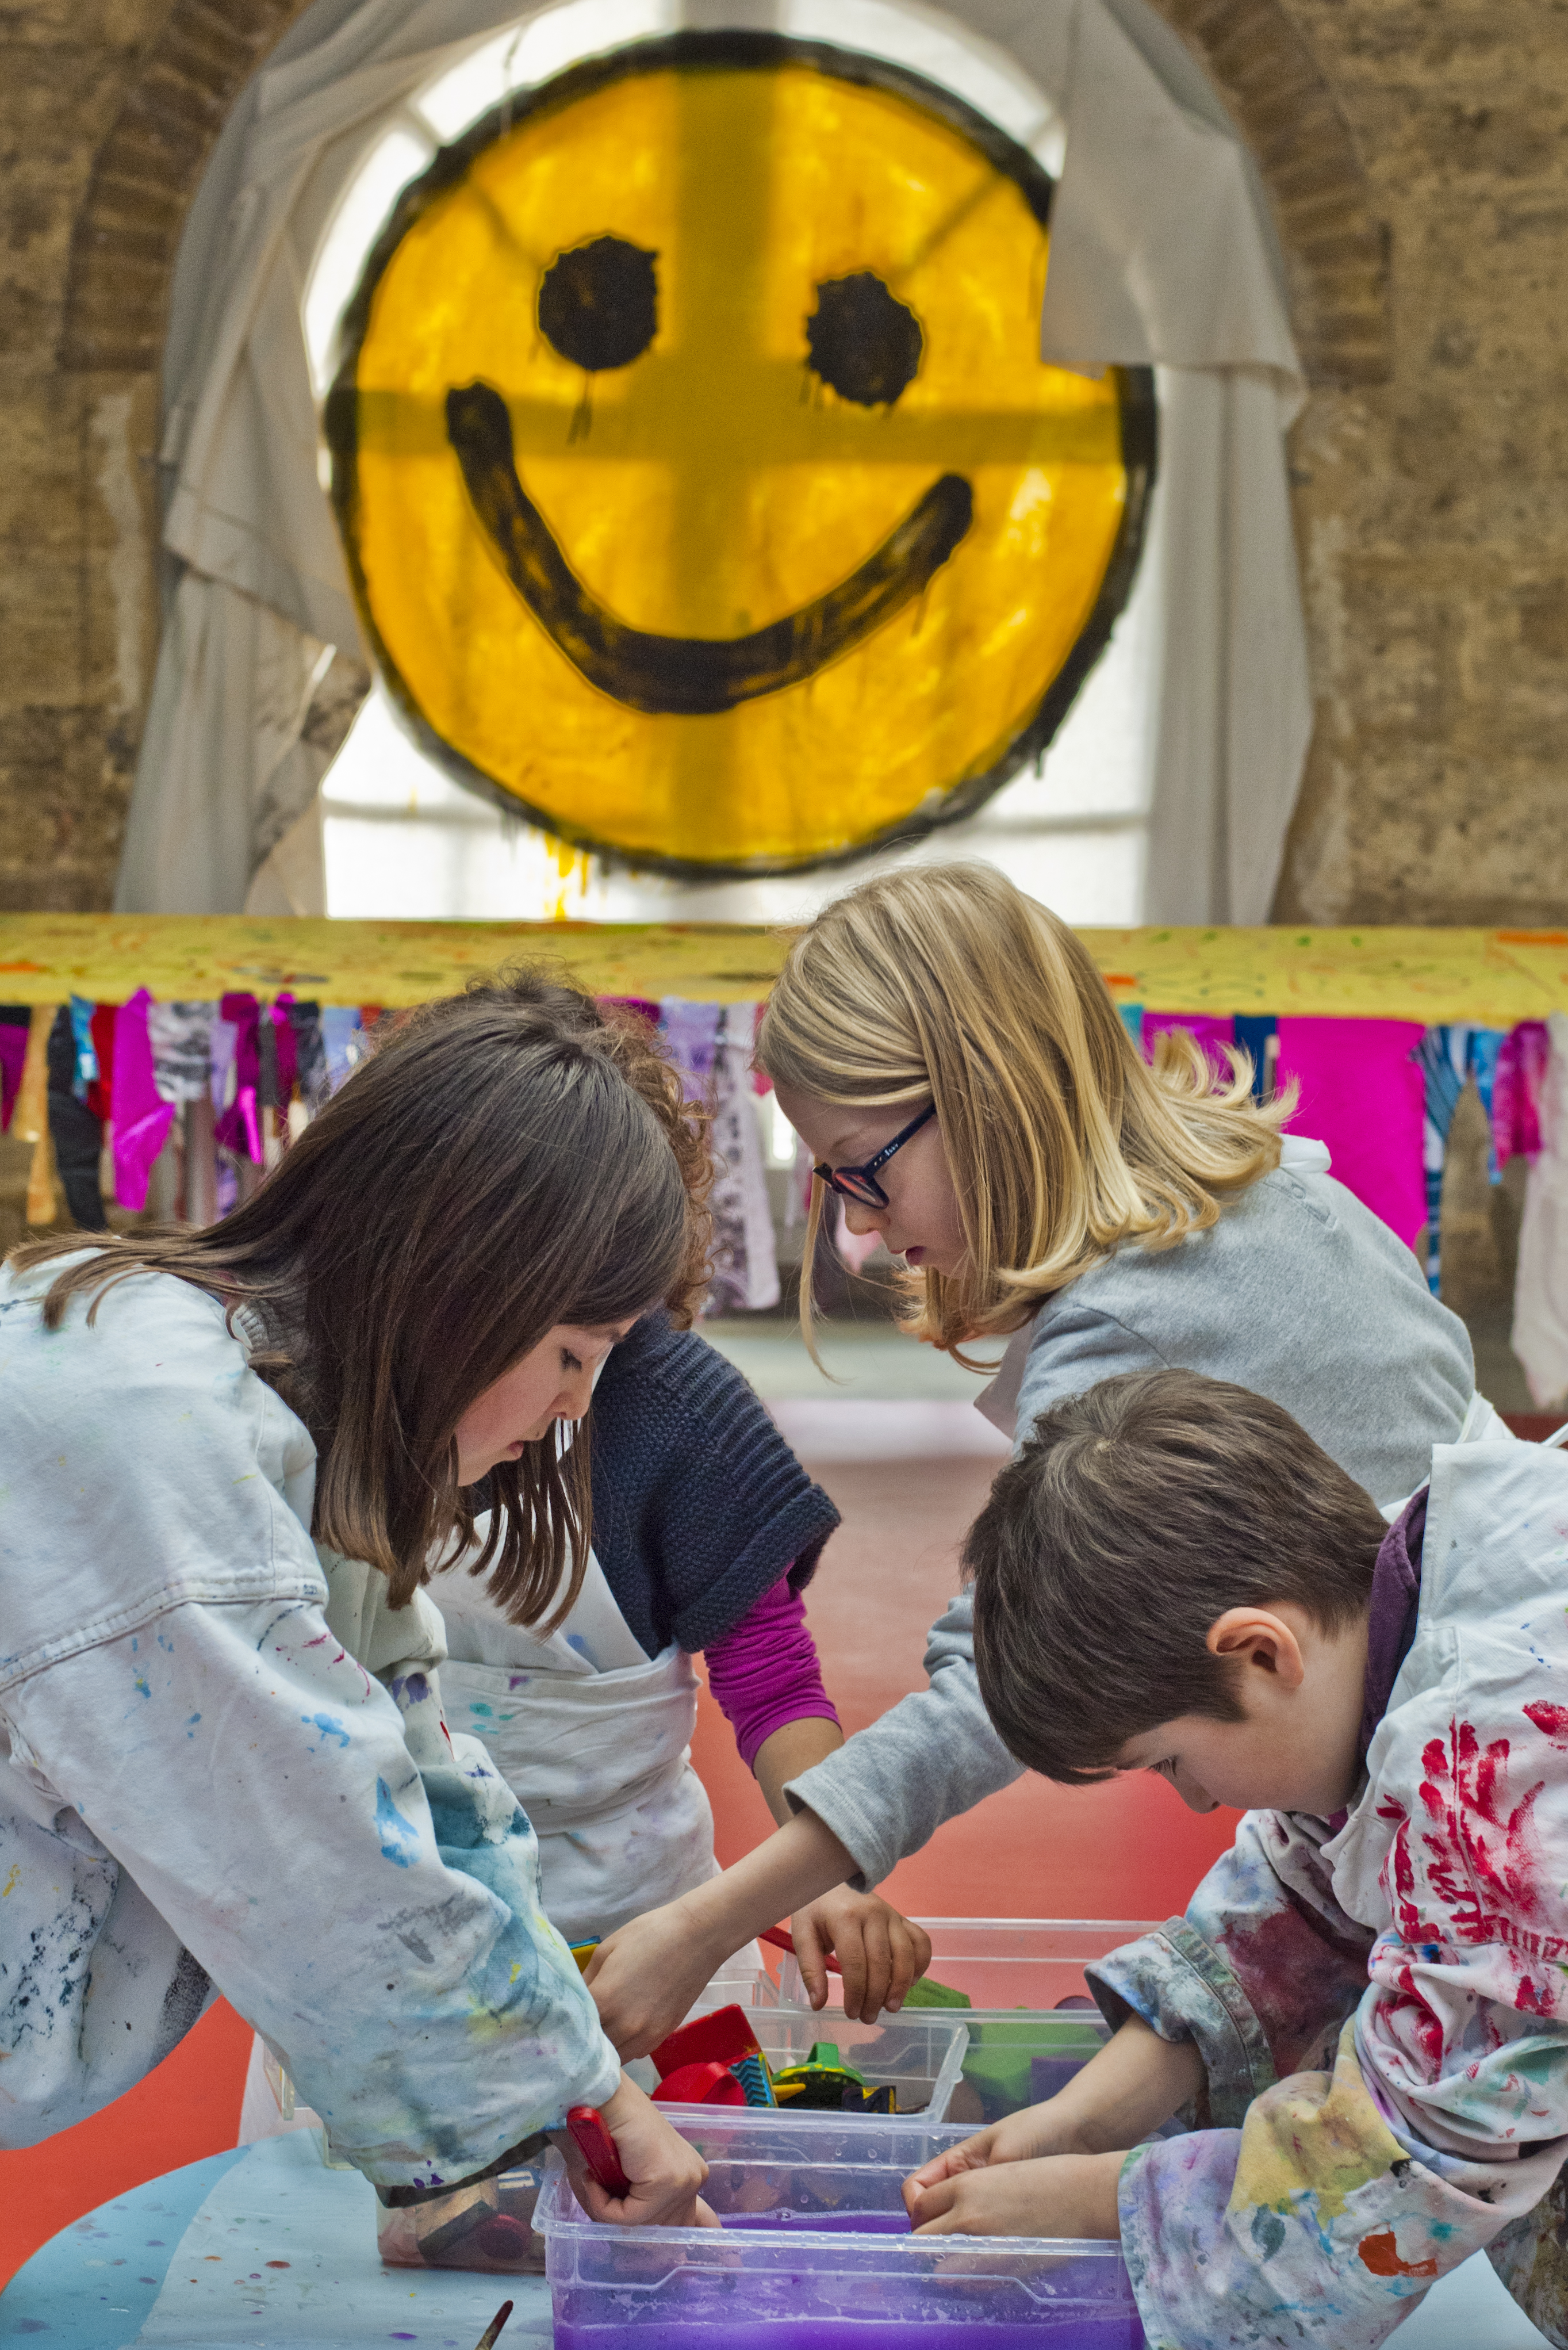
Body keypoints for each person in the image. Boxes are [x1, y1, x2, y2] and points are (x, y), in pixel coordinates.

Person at [584, 862, 1488, 2052]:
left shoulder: (1126, 1326)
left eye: (866, 1172)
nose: (856, 1228)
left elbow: (1002, 1681)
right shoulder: (1272, 1194)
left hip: (1477, 1816)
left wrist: (711, 1920)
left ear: (988, 1096)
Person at [0, 973, 712, 2230]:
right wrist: (576, 2109)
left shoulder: (273, 1434)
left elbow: (419, 1775)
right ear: (467, 1282)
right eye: (571, 1356)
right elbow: (329, 1876)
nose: (573, 1411)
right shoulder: (152, 1438)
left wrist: (594, 2099)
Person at [903, 1369, 1568, 2350]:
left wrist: (1107, 2202)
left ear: (1259, 1653)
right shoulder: (1392, 1593)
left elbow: (1434, 2136)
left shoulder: (1497, 1759)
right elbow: (1306, 1899)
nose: (1200, 1799)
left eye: (1169, 1759)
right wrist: (1083, 2120)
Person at [431, 1303, 930, 2016]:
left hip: (636, 1921)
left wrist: (821, 1870)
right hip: (405, 1909)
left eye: (587, 1356)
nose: (567, 1399)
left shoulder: (679, 1407)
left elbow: (774, 1680)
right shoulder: (347, 1396)